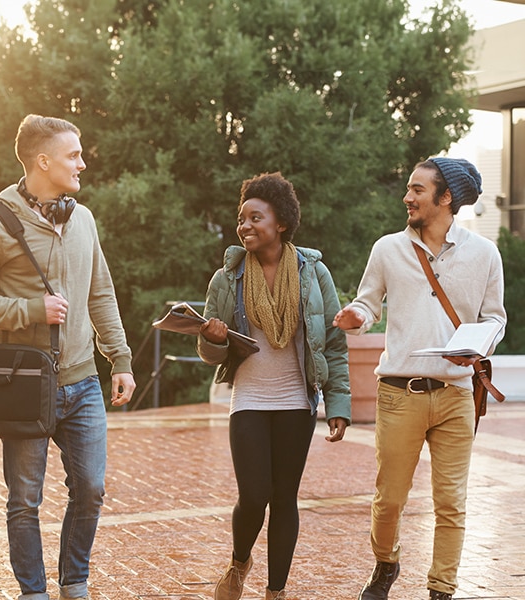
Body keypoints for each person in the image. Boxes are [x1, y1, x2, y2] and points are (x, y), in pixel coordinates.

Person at [0, 114, 136, 600]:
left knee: (91, 489)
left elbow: (102, 292)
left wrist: (119, 358)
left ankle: (74, 583)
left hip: (82, 382)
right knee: (24, 501)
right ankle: (33, 592)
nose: (82, 162)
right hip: (24, 386)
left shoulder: (84, 219)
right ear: (43, 160)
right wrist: (29, 310)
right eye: (73, 154)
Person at [333, 157, 506, 600]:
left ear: (446, 198)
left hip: (455, 395)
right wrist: (356, 314)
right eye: (409, 189)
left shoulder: (485, 253)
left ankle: (441, 589)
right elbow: (368, 304)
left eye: (418, 190)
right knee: (389, 499)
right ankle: (386, 563)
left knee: (451, 503)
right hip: (399, 394)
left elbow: (495, 319)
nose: (407, 197)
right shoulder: (388, 249)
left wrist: (479, 345)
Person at [197, 171, 351, 600]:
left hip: (296, 401)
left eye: (255, 218)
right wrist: (210, 339)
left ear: (280, 222)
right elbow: (211, 355)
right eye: (241, 219)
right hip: (248, 396)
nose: (245, 226)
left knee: (284, 498)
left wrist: (337, 403)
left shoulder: (313, 274)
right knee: (254, 494)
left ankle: (276, 592)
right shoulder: (227, 278)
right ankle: (239, 561)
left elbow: (333, 345)